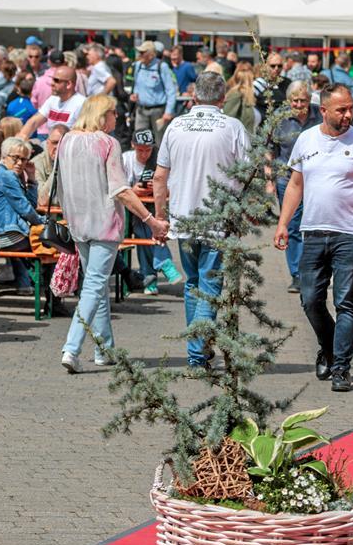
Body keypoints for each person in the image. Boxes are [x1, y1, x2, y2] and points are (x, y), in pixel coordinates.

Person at [274, 84, 353, 393]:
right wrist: (283, 223)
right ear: (324, 111)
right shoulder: (306, 139)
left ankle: (342, 368)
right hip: (313, 232)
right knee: (310, 299)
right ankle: (327, 347)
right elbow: (295, 185)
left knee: (345, 302)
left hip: (350, 234)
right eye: (341, 110)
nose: (348, 115)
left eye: (350, 108)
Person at [55, 96, 170, 373]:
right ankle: (71, 348)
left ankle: (104, 348)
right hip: (104, 222)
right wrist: (151, 220)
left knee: (98, 286)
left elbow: (59, 186)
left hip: (78, 222)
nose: (116, 118)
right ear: (102, 114)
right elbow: (120, 189)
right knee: (95, 285)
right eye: (113, 113)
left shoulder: (66, 140)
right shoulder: (107, 143)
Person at [153, 72, 250, 368]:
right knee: (208, 287)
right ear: (222, 98)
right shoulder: (232, 126)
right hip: (218, 219)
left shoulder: (176, 125)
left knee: (193, 284)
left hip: (184, 218)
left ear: (194, 96)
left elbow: (159, 176)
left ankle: (200, 349)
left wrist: (159, 217)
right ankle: (197, 354)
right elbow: (247, 173)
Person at [270, 82, 321, 294]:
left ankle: (312, 270)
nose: (299, 105)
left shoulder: (319, 115)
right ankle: (297, 274)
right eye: (295, 101)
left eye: (303, 101)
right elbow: (270, 148)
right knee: (291, 225)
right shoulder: (280, 118)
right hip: (286, 177)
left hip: (316, 177)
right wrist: (268, 178)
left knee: (313, 224)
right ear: (289, 100)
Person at [122, 129, 182, 294]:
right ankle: (164, 263)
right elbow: (121, 189)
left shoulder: (160, 159)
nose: (144, 154)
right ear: (133, 145)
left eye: (148, 150)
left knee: (145, 231)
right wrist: (135, 190)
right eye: (140, 150)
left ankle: (149, 278)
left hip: (156, 209)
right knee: (146, 226)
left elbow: (173, 187)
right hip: (132, 210)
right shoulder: (126, 159)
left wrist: (157, 189)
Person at [0, 137, 43, 297]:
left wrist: (31, 179)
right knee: (55, 245)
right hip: (7, 235)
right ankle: (54, 298)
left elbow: (30, 205)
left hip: (9, 234)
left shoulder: (10, 175)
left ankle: (30, 286)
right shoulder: (6, 176)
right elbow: (25, 210)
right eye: (15, 158)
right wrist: (43, 223)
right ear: (4, 156)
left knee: (51, 243)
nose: (20, 163)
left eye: (24, 159)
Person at [130, 41, 178, 147]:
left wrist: (168, 112)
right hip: (141, 109)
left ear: (151, 55)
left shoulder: (162, 66)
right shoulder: (138, 66)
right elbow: (137, 84)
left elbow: (171, 91)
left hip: (158, 111)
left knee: (159, 142)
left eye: (142, 53)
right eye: (139, 52)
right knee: (140, 140)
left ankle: (157, 163)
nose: (139, 55)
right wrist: (135, 94)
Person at [19, 65, 86, 140]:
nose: (52, 83)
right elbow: (34, 122)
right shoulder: (53, 99)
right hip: (50, 143)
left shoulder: (81, 103)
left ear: (68, 84)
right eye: (52, 79)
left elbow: (82, 133)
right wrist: (20, 138)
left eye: (56, 80)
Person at [33, 124, 67, 206]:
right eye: (55, 142)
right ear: (47, 143)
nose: (58, 147)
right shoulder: (36, 163)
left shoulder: (75, 163)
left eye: (62, 143)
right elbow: (42, 200)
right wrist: (58, 166)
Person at [253, 52, 291, 118]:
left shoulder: (287, 82)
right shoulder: (259, 84)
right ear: (266, 66)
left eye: (279, 66)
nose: (276, 68)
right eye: (273, 66)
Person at [223, 68, 257, 133]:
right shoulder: (237, 95)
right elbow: (227, 118)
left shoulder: (249, 97)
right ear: (249, 80)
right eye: (253, 79)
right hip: (239, 139)